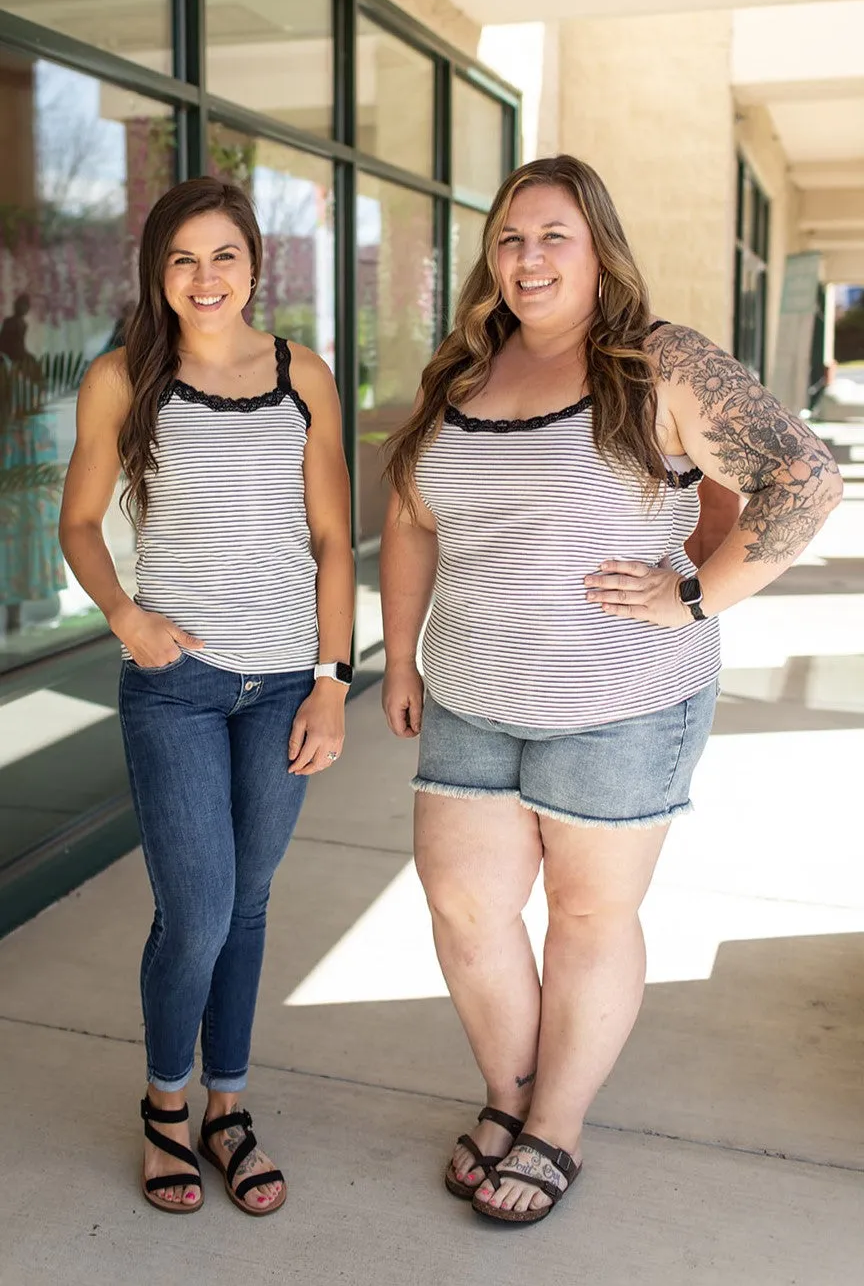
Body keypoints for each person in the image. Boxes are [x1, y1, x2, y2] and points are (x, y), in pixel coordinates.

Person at [380, 155, 842, 1227]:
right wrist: (397, 656)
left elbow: (804, 475)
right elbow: (410, 518)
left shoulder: (655, 362)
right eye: (509, 238)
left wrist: (697, 597)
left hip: (623, 698)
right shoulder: (461, 372)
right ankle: (511, 1094)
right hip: (468, 689)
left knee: (588, 916)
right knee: (464, 901)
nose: (526, 258)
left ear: (599, 250)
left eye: (553, 236)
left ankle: (558, 1126)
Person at [59, 177, 353, 1216]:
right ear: (157, 271)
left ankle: (230, 1104)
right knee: (197, 911)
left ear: (256, 264)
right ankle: (165, 1106)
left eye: (224, 254)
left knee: (252, 900)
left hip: (283, 685)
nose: (204, 277)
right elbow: (81, 523)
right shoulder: (122, 378)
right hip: (174, 688)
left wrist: (332, 678)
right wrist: (127, 618)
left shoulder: (302, 374)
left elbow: (330, 539)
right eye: (183, 258)